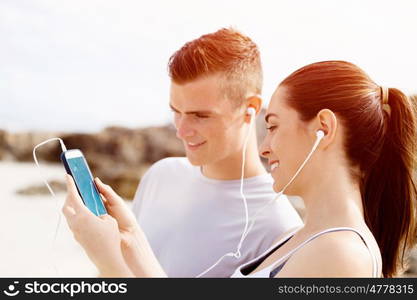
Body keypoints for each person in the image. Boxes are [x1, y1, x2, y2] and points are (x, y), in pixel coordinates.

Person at [64, 60, 416, 278]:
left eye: (274, 126)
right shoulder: (305, 241)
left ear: (323, 127)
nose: (264, 146)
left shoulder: (340, 255)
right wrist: (131, 243)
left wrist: (110, 262)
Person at [62, 28, 303, 278]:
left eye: (200, 115)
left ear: (250, 108)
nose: (182, 130)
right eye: (176, 111)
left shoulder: (279, 228)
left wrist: (107, 260)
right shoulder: (161, 175)